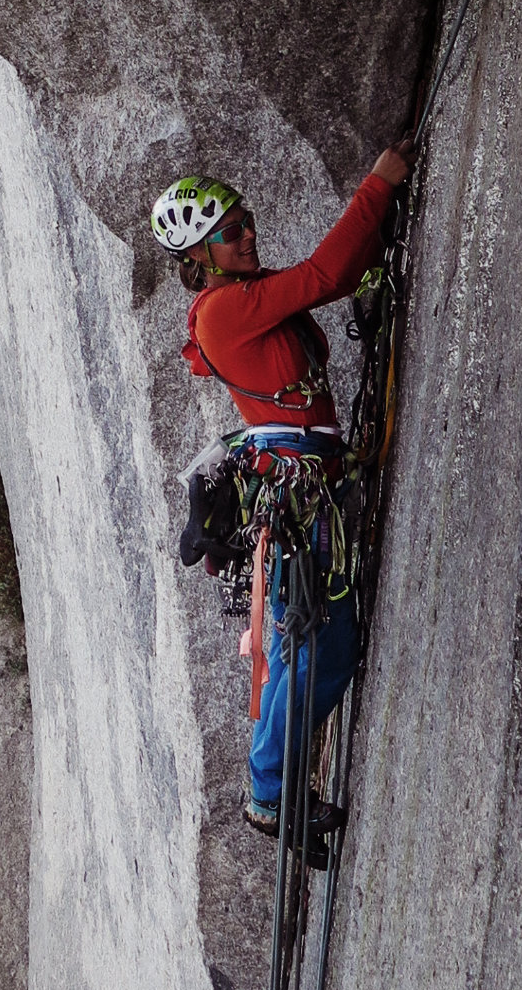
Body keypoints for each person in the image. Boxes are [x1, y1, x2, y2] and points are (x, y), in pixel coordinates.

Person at [151, 144, 413, 858]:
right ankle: (267, 794)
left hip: (310, 470)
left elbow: (328, 278)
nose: (248, 235)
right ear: (201, 257)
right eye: (230, 233)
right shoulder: (222, 312)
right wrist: (378, 186)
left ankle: (277, 784)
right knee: (311, 641)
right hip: (298, 484)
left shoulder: (242, 297)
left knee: (331, 646)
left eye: (246, 221)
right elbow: (327, 274)